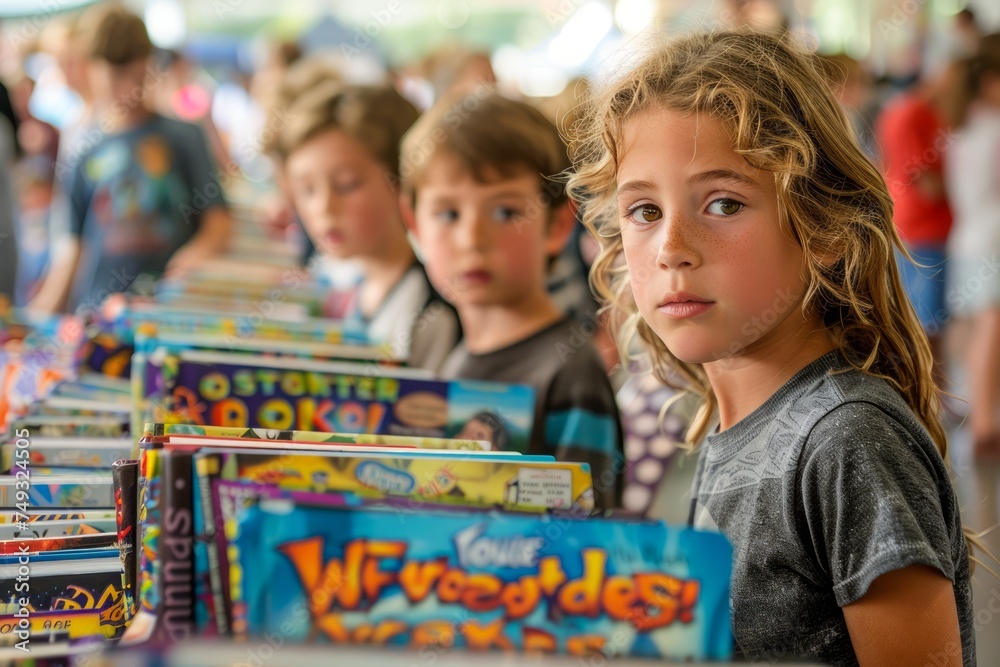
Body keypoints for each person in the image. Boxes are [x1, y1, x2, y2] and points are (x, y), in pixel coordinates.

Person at [569, 30, 976, 664]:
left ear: (824, 229)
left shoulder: (847, 440)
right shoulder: (733, 423)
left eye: (724, 203)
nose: (672, 246)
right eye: (644, 211)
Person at [400, 92, 624, 511]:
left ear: (557, 225)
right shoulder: (453, 354)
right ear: (414, 224)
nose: (472, 240)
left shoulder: (570, 371)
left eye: (504, 212)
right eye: (448, 214)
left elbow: (590, 525)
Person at [29, 5, 232, 315]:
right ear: (91, 69)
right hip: (98, 315)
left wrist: (197, 253)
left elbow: (217, 219)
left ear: (149, 66)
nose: (125, 88)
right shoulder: (82, 150)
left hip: (169, 311)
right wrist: (39, 316)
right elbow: (72, 246)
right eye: (113, 75)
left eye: (134, 75)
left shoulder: (185, 136)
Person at [274, 81, 459, 372]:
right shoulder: (330, 276)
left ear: (401, 179)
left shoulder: (430, 314)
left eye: (347, 185)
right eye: (306, 189)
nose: (324, 208)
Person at [945, 33, 1000, 460]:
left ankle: (976, 413)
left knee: (977, 330)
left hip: (968, 238)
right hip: (990, 242)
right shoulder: (993, 129)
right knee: (989, 331)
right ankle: (984, 423)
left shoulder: (964, 127)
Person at [876, 64, 954, 360]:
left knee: (918, 314)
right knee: (928, 320)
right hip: (924, 227)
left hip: (910, 221)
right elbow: (928, 183)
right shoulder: (915, 114)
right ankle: (932, 396)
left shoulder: (899, 110)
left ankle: (935, 395)